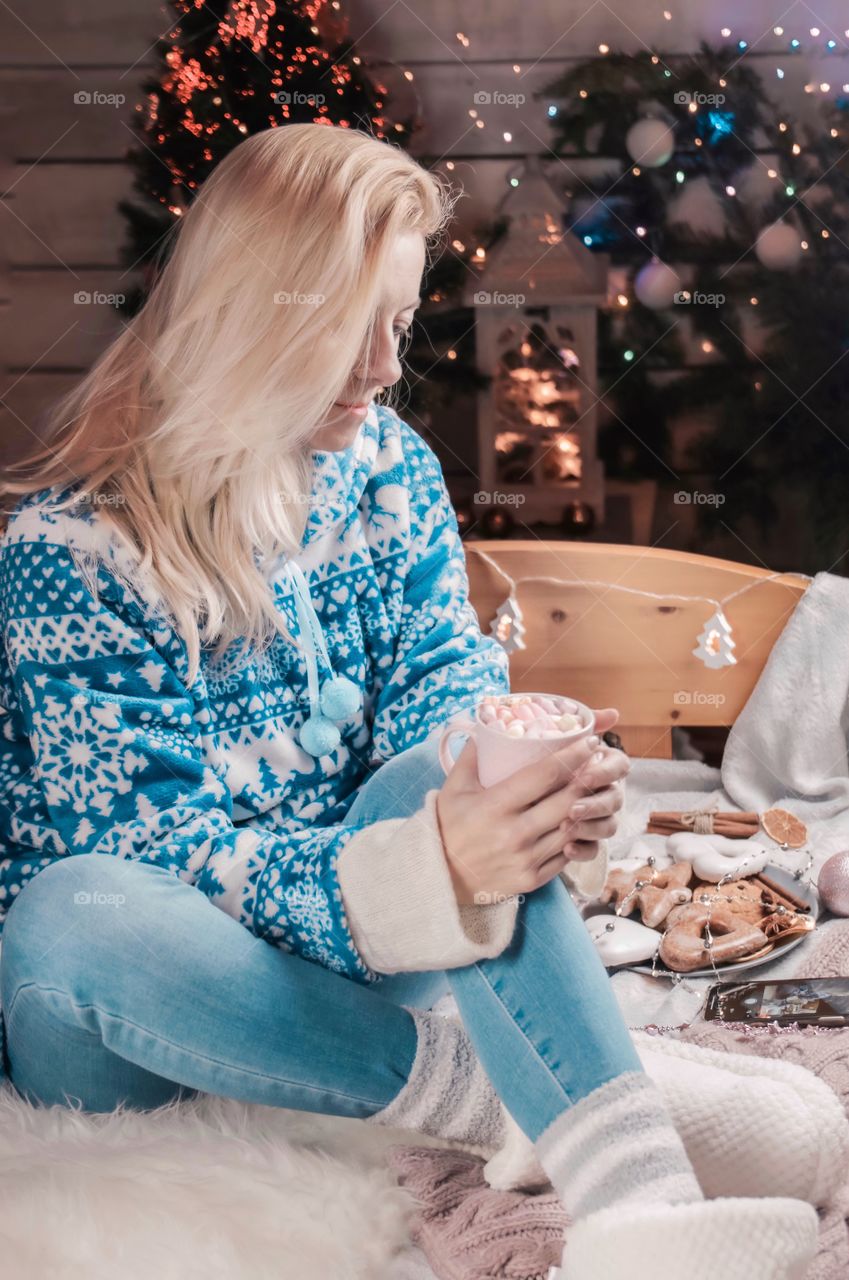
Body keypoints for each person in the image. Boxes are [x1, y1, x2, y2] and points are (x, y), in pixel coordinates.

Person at [0, 124, 816, 1279]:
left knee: (470, 765)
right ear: (255, 316)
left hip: (357, 933)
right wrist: (424, 871)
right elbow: (154, 852)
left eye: (398, 324)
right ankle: (508, 1097)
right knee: (71, 909)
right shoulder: (67, 552)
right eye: (357, 329)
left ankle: (648, 1211)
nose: (387, 369)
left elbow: (443, 690)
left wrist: (526, 786)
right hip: (135, 1003)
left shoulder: (385, 466)